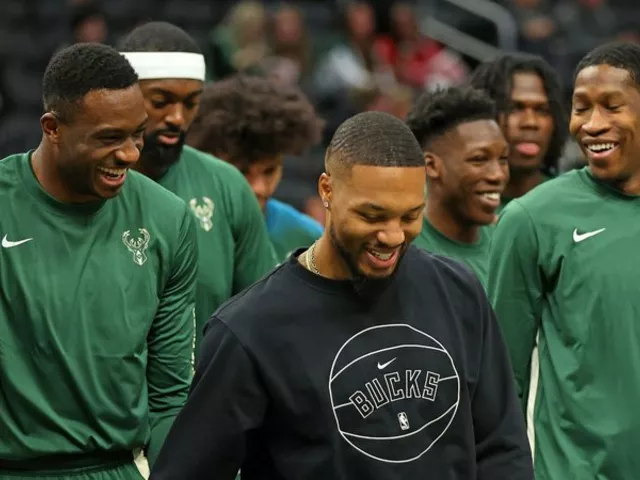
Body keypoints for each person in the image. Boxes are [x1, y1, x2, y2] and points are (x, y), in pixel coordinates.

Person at [151, 111, 533, 480]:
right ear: (327, 190)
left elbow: (502, 449)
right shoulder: (249, 330)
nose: (393, 236)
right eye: (372, 216)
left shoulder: (458, 291)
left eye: (409, 216)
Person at [0, 43, 197, 479]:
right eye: (109, 138)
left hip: (117, 467)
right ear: (53, 128)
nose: (130, 154)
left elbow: (169, 397)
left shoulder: (168, 219)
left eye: (137, 134)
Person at [488, 42, 640, 479]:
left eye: (612, 106)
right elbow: (504, 380)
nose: (592, 124)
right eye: (581, 108)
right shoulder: (531, 219)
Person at [119, 22, 278, 352]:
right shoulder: (90, 183)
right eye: (161, 101)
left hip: (207, 382)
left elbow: (264, 318)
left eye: (191, 103)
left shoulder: (228, 184)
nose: (177, 118)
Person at [187, 74, 325, 263]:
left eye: (269, 171)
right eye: (242, 172)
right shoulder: (180, 228)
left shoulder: (307, 237)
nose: (259, 187)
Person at [406, 86, 508, 288]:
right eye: (479, 159)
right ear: (431, 166)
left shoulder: (508, 243)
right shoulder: (403, 250)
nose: (498, 174)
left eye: (503, 159)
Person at [469, 53, 567, 212]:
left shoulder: (572, 203)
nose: (530, 122)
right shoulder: (450, 208)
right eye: (514, 109)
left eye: (542, 110)